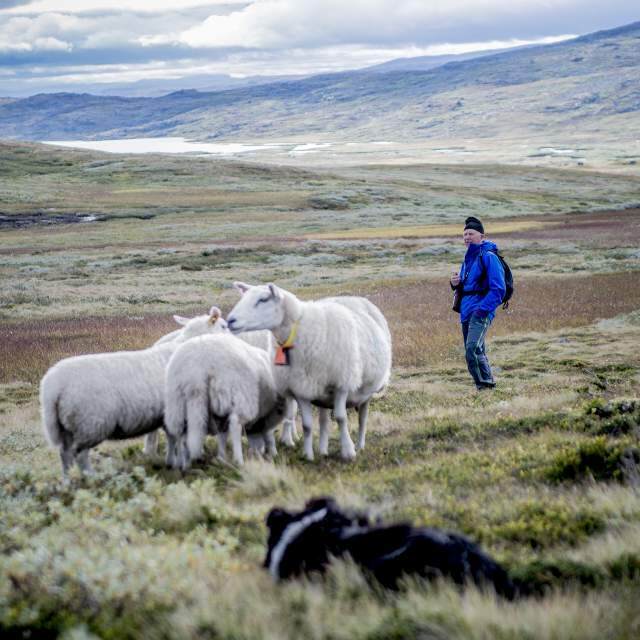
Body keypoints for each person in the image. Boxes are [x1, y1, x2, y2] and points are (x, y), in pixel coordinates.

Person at [450, 216, 506, 390]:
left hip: (480, 310)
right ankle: (488, 388)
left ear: (482, 236)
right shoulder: (467, 259)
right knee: (477, 349)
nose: (467, 237)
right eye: (465, 234)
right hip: (466, 311)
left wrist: (483, 310)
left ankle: (483, 385)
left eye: (471, 233)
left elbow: (499, 288)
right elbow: (467, 287)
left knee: (472, 349)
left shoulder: (488, 256)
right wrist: (455, 284)